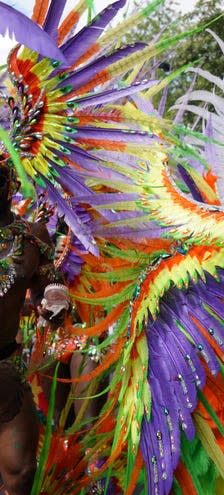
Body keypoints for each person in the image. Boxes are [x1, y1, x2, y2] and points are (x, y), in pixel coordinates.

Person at [0, 161, 67, 495]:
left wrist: (55, 301)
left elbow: (49, 282)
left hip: (5, 370)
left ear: (10, 182)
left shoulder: (31, 237)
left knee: (22, 470)